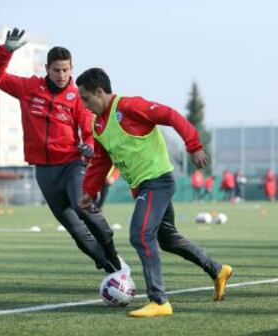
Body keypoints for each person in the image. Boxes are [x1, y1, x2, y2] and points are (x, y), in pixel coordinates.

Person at [76, 68, 232, 317]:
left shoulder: (129, 106)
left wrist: (193, 145)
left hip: (157, 181)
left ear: (99, 92)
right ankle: (217, 269)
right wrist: (89, 191)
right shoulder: (98, 125)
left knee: (140, 234)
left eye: (85, 98)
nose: (84, 105)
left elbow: (169, 115)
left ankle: (159, 301)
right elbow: (102, 160)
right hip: (143, 185)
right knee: (167, 239)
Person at [0, 28, 128, 274]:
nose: (62, 75)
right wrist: (5, 51)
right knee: (75, 230)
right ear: (47, 68)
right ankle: (113, 272)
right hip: (44, 173)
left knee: (84, 209)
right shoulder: (28, 88)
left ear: (71, 68)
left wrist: (90, 147)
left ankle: (113, 254)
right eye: (57, 70)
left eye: (66, 70)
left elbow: (88, 128)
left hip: (73, 166)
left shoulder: (77, 97)